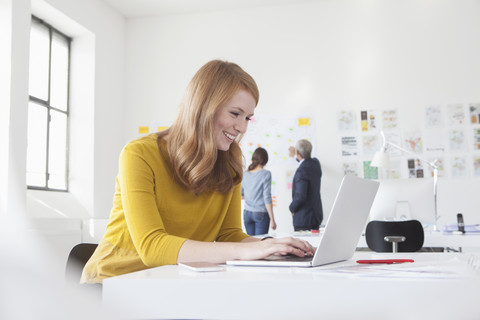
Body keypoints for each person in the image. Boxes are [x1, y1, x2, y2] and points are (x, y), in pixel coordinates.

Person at [81, 60, 314, 284]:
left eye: (247, 118)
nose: (242, 127)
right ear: (203, 107)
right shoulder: (139, 154)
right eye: (235, 114)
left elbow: (229, 235)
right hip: (111, 284)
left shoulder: (230, 160)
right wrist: (253, 249)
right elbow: (152, 247)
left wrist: (275, 248)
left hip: (171, 283)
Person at [289, 139, 323, 231]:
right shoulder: (316, 164)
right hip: (315, 217)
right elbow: (304, 161)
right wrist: (296, 154)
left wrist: (292, 208)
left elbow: (300, 196)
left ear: (297, 152)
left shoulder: (301, 171)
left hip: (304, 219)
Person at [241, 147, 277, 235]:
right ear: (265, 160)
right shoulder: (266, 174)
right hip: (260, 213)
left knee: (251, 244)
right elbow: (267, 197)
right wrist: (272, 219)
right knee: (260, 245)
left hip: (247, 214)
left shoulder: (245, 174)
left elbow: (241, 195)